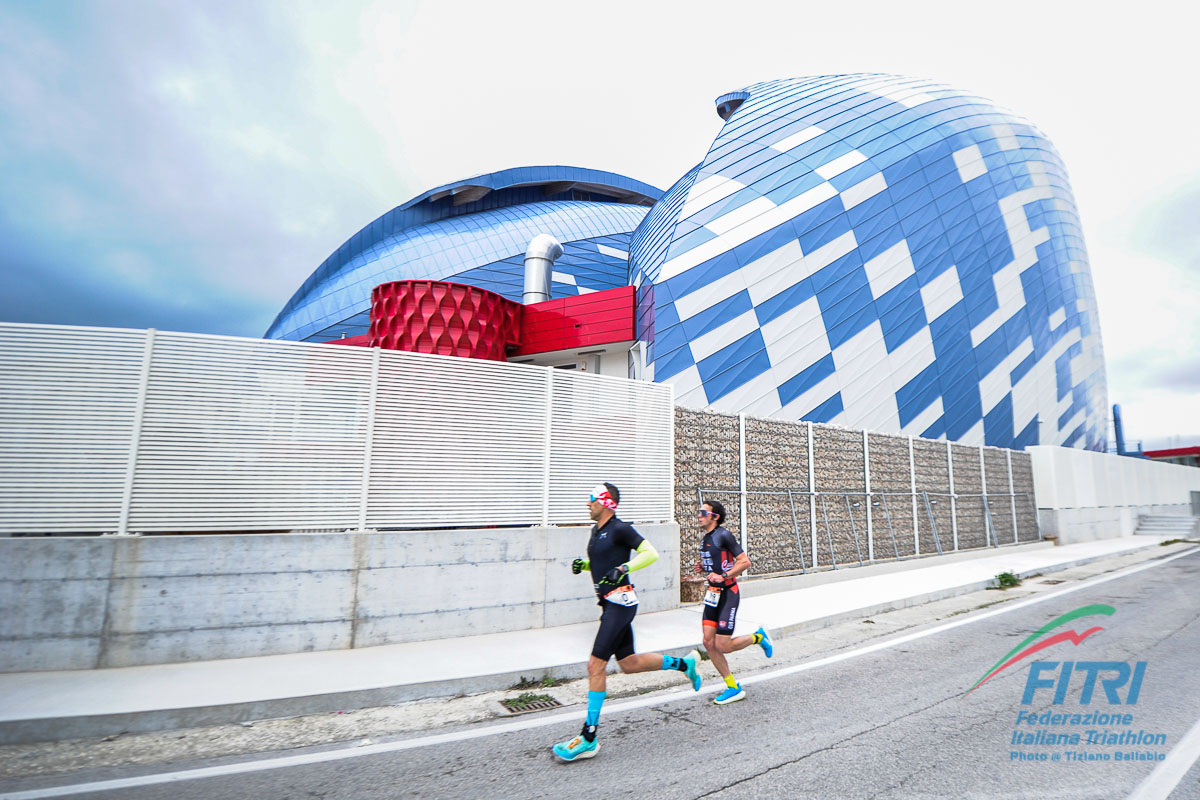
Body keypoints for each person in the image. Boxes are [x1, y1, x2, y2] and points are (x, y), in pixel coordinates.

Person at [552, 482, 702, 763]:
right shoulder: (596, 532)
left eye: (592, 499)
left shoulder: (621, 528)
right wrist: (582, 566)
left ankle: (588, 737)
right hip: (610, 603)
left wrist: (624, 568)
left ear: (606, 502)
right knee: (629, 663)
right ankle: (685, 664)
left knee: (595, 664)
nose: (588, 504)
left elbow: (651, 553)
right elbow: (602, 563)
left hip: (620, 603)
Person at [692, 499, 773, 704]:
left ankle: (758, 637)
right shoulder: (707, 538)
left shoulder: (724, 534)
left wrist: (724, 576)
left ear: (715, 517)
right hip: (713, 595)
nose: (699, 515)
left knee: (723, 645)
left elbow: (744, 562)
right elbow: (718, 563)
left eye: (703, 512)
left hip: (728, 594)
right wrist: (704, 567)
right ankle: (733, 687)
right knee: (708, 643)